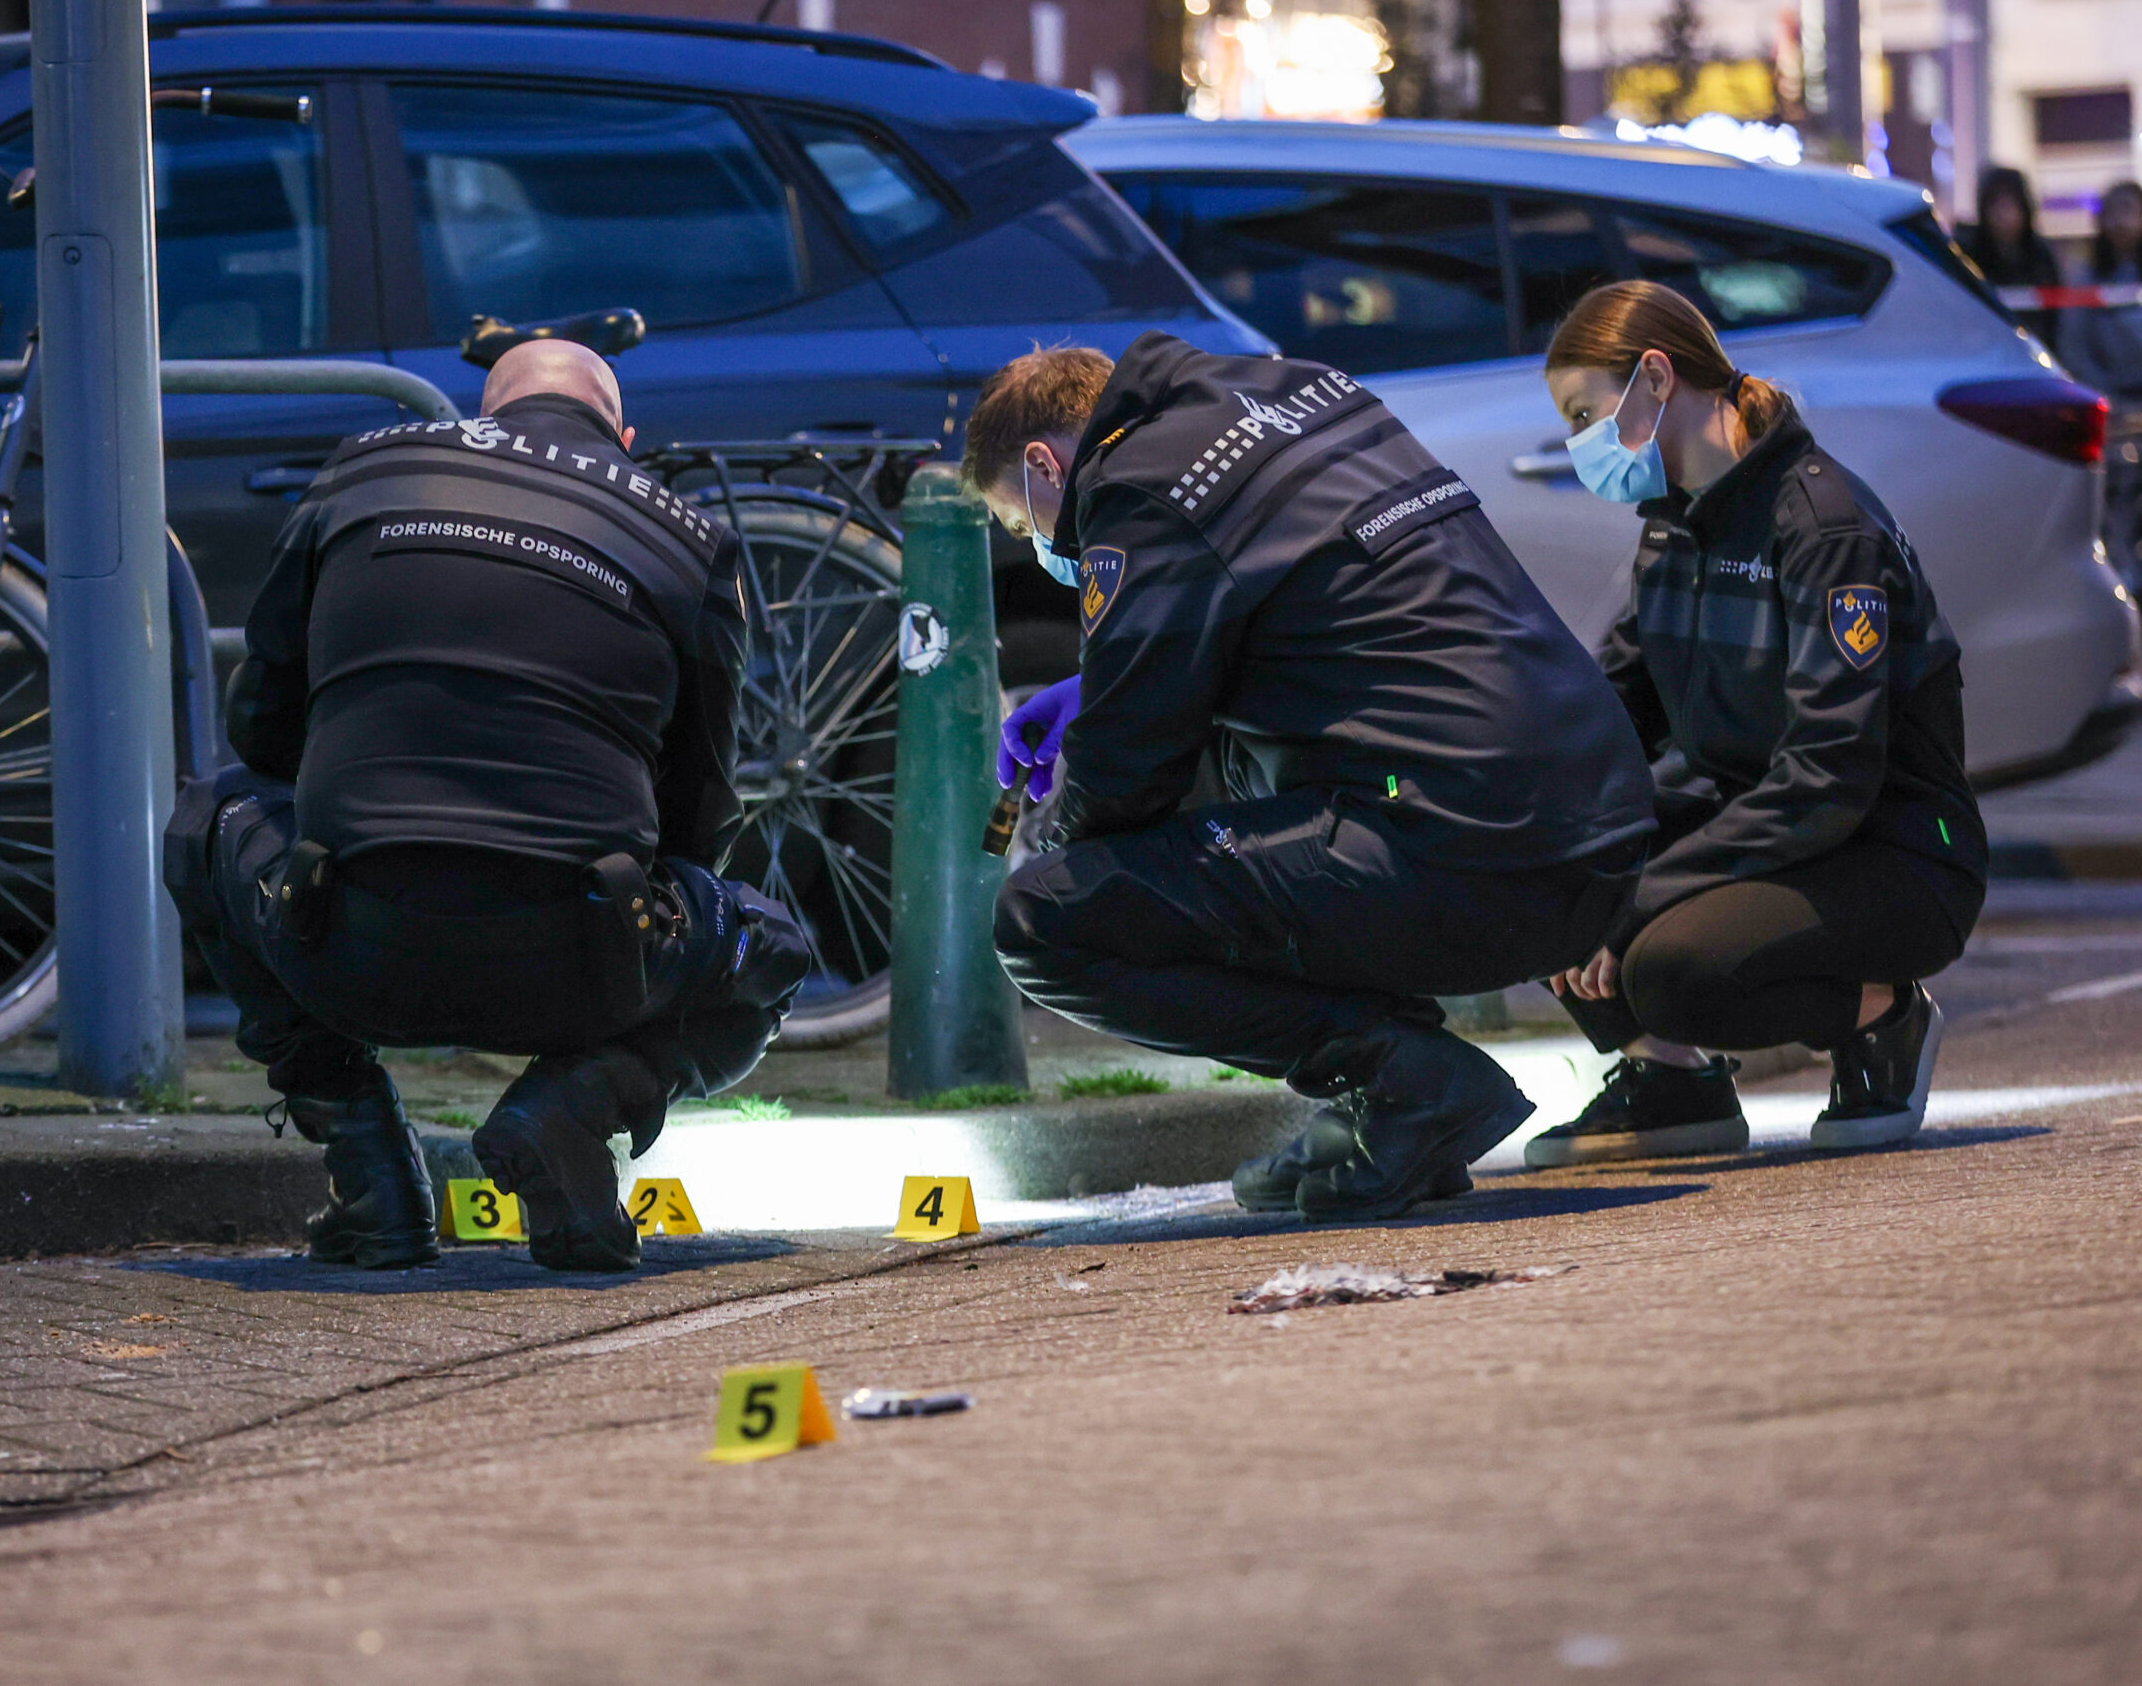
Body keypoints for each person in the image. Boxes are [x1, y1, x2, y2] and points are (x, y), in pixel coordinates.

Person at [970, 337, 1656, 1223]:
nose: (1044, 549)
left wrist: (1055, 846)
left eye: (1025, 525)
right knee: (1230, 770)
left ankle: (1402, 1077)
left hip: (1472, 850)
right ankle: (1401, 1115)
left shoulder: (1136, 485)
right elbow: (1308, 615)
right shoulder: (1298, 393)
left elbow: (1126, 774)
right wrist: (1100, 688)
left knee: (1044, 923)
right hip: (1589, 832)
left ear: (1043, 462)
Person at [164, 341, 810, 1272]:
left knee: (206, 823)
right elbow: (700, 819)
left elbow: (262, 730)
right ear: (622, 438)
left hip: (345, 943)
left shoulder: (363, 468)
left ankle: (370, 1172)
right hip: (585, 962)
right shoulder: (687, 541)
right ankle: (576, 1104)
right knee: (772, 947)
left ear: (485, 412)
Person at [1521, 282, 1987, 1169]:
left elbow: (1829, 777)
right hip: (1764, 834)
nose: (1582, 442)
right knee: (1533, 859)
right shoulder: (1671, 529)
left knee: (1671, 966)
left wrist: (1638, 900)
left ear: (1656, 377)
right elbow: (1601, 716)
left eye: (1587, 412)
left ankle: (1885, 1014)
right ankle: (1670, 1081)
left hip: (1893, 850)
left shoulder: (1821, 527)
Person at [2061, 181, 2142, 581]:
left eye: (2132, 210)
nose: (2124, 221)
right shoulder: (2087, 277)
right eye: (2116, 211)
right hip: (2112, 410)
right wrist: (2106, 397)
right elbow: (2073, 347)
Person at [1963, 166, 2063, 348]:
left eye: (2011, 203)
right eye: (1995, 204)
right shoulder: (1968, 254)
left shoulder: (2041, 256)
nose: (2003, 213)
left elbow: (2055, 318)